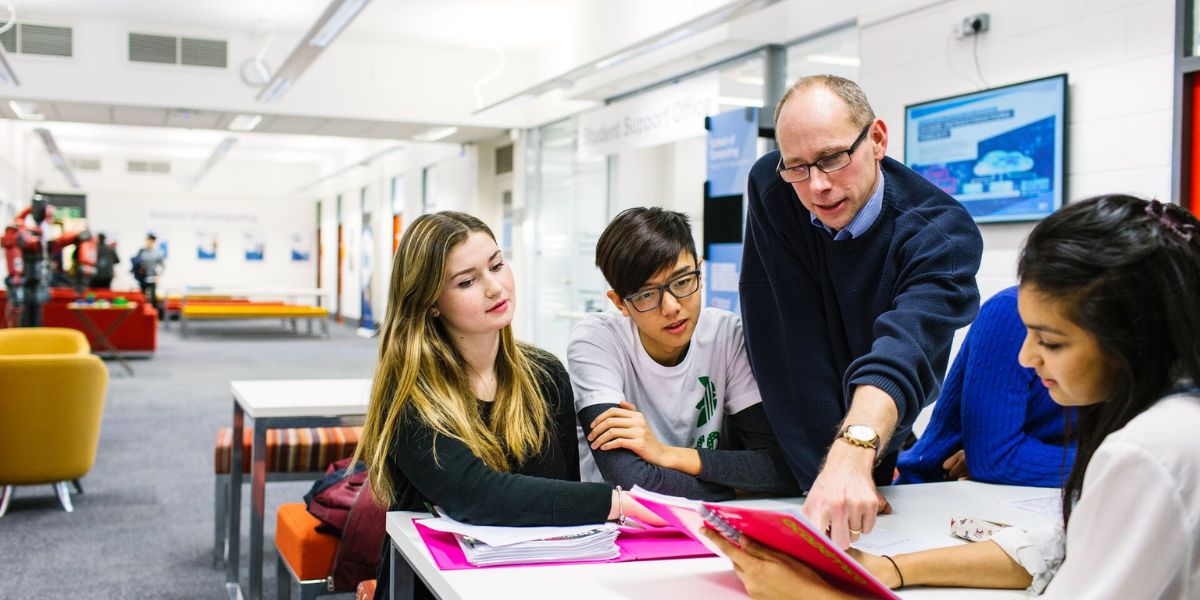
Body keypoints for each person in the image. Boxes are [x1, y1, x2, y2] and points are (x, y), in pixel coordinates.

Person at [704, 195, 1200, 599]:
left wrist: (816, 597)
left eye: (1052, 342)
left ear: (1135, 337)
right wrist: (886, 569)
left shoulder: (1147, 452)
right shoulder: (1166, 423)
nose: (1028, 358)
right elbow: (1058, 548)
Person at [352, 211, 664, 599]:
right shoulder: (410, 393)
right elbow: (474, 495)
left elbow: (558, 494)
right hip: (433, 586)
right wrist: (618, 503)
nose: (495, 288)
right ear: (430, 302)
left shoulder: (545, 374)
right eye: (467, 281)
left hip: (532, 578)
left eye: (498, 265)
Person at [740, 74, 983, 548]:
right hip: (799, 447)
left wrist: (857, 459)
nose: (818, 186)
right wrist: (823, 475)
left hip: (876, 434)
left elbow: (905, 349)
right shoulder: (774, 191)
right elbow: (790, 344)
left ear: (877, 139)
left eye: (832, 158)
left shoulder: (941, 236)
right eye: (798, 167)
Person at [569, 207, 798, 501]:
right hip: (623, 530)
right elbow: (631, 481)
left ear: (700, 272)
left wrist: (666, 455)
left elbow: (779, 467)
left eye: (682, 282)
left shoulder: (726, 334)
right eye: (646, 294)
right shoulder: (597, 341)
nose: (672, 307)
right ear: (619, 303)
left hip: (709, 524)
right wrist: (737, 486)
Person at [896, 286, 1076, 487]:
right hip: (942, 492)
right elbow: (996, 459)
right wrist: (1105, 465)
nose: (1027, 357)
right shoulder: (1012, 311)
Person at [133, 233, 164, 316]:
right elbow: (136, 264)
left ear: (153, 242)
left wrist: (158, 276)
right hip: (143, 278)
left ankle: (154, 315)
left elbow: (162, 266)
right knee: (142, 297)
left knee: (153, 297)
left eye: (150, 241)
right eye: (147, 240)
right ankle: (143, 315)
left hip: (152, 277)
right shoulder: (141, 252)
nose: (148, 242)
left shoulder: (157, 253)